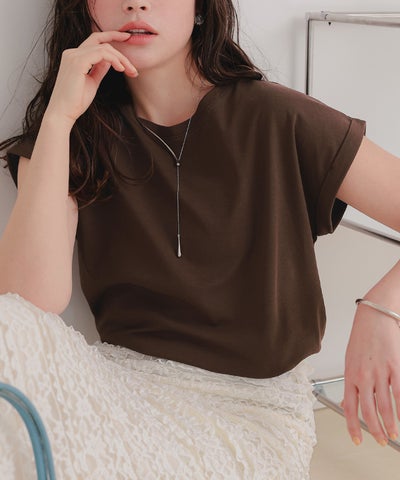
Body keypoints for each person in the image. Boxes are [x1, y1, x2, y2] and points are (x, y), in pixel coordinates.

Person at [0, 0, 400, 478]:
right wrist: (60, 118)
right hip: (119, 392)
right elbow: (26, 307)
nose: (136, 2)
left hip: (250, 420)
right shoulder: (73, 136)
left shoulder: (278, 117)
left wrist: (382, 308)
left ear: (201, 7)